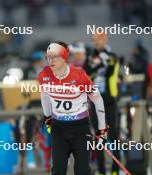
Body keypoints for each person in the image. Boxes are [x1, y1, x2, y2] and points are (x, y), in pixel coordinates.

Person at [39, 41, 108, 175]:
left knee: (82, 170)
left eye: (55, 56)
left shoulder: (79, 75)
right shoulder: (45, 75)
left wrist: (102, 129)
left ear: (64, 57)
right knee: (58, 170)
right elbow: (44, 97)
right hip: (58, 128)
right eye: (49, 57)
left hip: (80, 129)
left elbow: (97, 99)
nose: (51, 60)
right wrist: (48, 119)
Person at [83, 32, 120, 175]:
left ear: (105, 39)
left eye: (99, 39)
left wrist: (99, 65)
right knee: (98, 138)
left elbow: (111, 72)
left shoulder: (112, 56)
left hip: (109, 102)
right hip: (95, 101)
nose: (96, 42)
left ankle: (115, 170)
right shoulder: (91, 56)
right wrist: (98, 65)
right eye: (94, 40)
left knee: (113, 136)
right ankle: (102, 171)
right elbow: (86, 73)